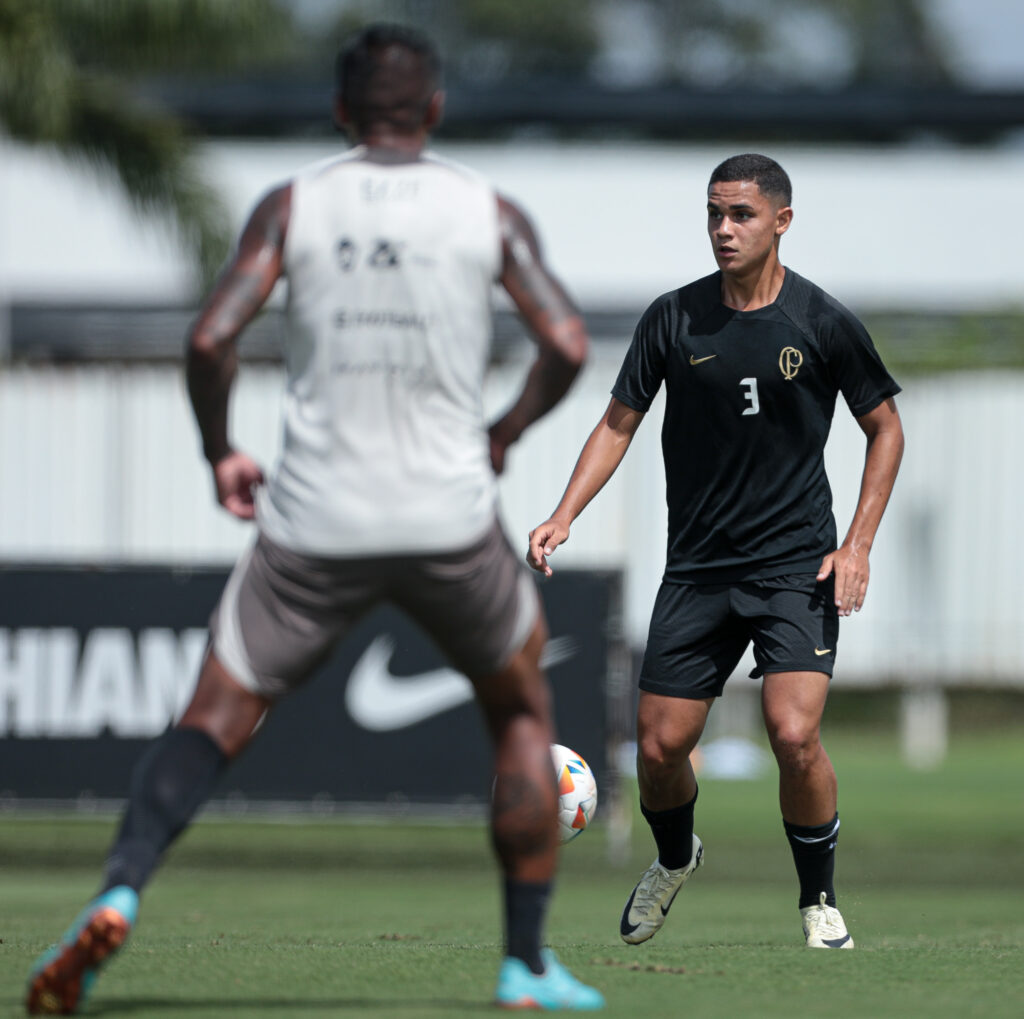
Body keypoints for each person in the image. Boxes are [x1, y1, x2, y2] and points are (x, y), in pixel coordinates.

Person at [27, 23, 604, 1014]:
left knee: (212, 717)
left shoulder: (294, 204)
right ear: (432, 110)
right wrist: (503, 432)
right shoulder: (487, 210)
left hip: (314, 518)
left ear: (341, 111)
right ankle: (524, 965)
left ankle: (119, 889)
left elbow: (210, 338)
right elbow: (566, 340)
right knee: (518, 712)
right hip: (448, 516)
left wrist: (219, 449)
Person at [528, 153, 904, 951]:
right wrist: (564, 512)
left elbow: (886, 428)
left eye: (741, 214)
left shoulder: (822, 320)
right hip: (698, 568)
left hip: (796, 566)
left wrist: (858, 544)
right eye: (713, 213)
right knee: (660, 747)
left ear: (781, 222)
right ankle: (674, 858)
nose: (723, 229)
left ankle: (819, 900)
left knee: (793, 734)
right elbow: (618, 423)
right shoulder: (673, 318)